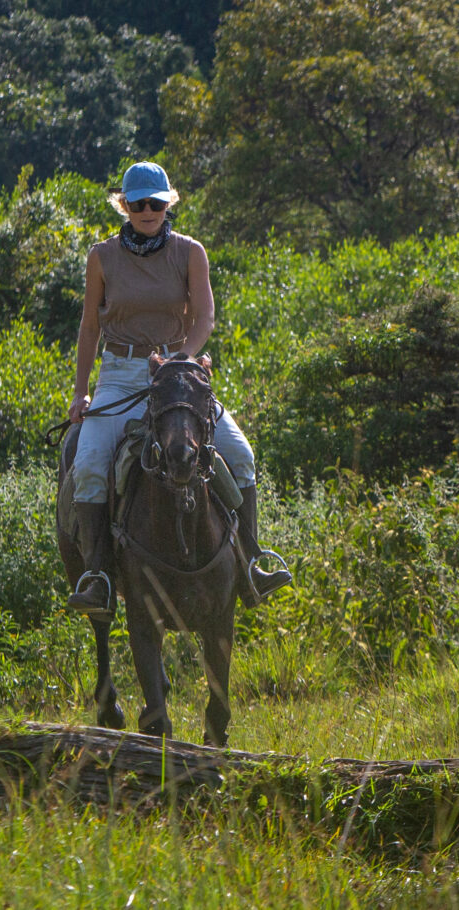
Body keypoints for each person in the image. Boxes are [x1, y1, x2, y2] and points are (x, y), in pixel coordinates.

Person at [64, 160, 291, 615]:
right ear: (124, 205)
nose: (148, 211)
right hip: (122, 374)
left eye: (157, 203)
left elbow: (205, 316)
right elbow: (90, 327)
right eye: (139, 203)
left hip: (180, 374)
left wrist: (180, 359)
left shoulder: (190, 252)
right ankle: (100, 577)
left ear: (169, 204)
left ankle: (251, 565)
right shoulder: (101, 256)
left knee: (241, 455)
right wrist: (80, 391)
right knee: (87, 464)